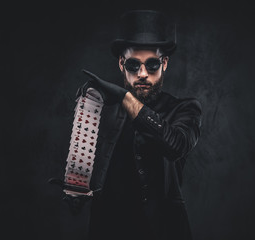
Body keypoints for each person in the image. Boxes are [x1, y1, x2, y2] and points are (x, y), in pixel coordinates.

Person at [63, 10, 202, 240]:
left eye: (152, 65)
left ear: (165, 63)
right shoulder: (104, 109)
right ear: (121, 63)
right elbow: (88, 162)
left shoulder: (186, 109)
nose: (143, 74)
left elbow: (176, 144)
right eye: (133, 65)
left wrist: (125, 97)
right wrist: (78, 190)